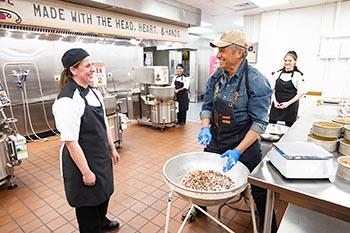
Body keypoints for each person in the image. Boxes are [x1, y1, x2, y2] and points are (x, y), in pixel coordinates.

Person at [182, 31, 278, 232]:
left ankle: (266, 224)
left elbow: (260, 123)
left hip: (245, 141)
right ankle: (199, 206)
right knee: (205, 175)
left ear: (239, 53)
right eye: (218, 50)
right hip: (217, 138)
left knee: (258, 187)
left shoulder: (256, 81)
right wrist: (205, 127)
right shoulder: (217, 77)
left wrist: (238, 151)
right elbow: (207, 105)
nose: (218, 55)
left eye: (223, 50)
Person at [52, 48, 120, 233]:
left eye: (93, 65)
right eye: (88, 65)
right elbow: (70, 142)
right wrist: (86, 172)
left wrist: (112, 148)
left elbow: (104, 124)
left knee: (103, 193)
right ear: (74, 70)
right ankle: (93, 227)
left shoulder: (93, 92)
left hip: (100, 157)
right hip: (81, 163)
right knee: (88, 204)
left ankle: (102, 220)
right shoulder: (67, 100)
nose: (93, 69)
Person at [269, 51, 306, 127]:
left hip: (291, 106)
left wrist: (287, 103)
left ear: (295, 62)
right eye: (285, 60)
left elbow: (301, 93)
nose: (287, 62)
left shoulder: (298, 75)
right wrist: (275, 102)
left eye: (290, 60)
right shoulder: (277, 74)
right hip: (277, 104)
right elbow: (271, 89)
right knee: (271, 125)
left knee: (289, 128)